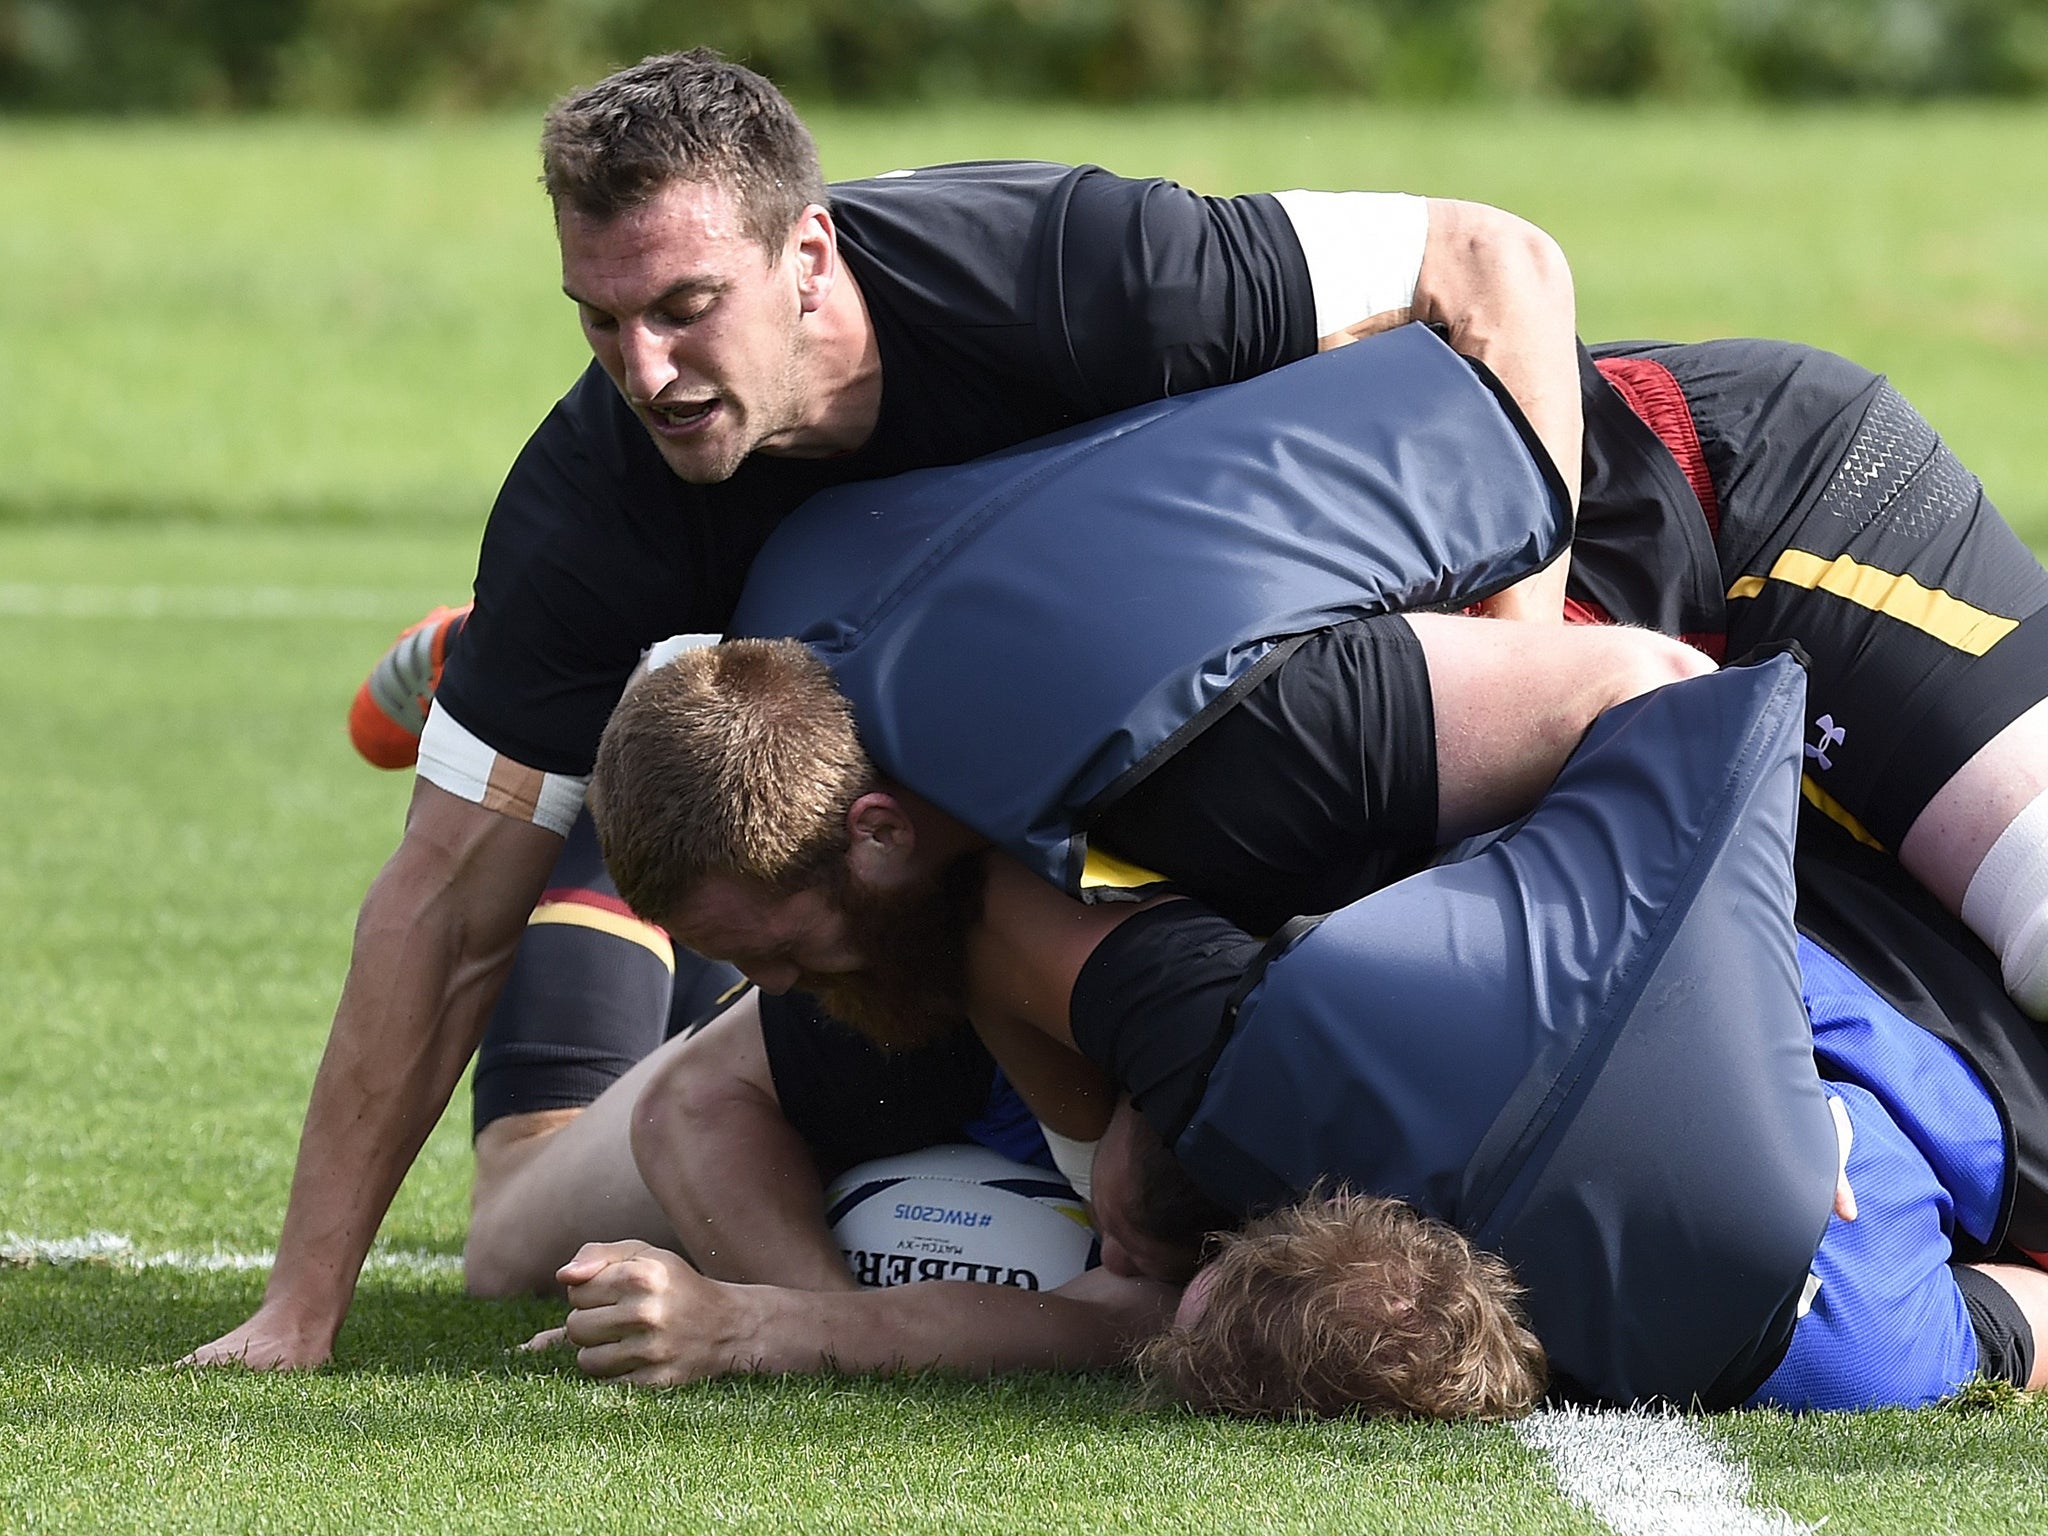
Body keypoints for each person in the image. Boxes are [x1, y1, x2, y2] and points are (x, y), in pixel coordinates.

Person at [185, 48, 1594, 1370]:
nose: (647, 372)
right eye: (601, 322)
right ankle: (562, 717)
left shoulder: (1072, 273)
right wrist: (297, 1312)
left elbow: (1500, 262)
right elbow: (439, 909)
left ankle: (590, 708)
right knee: (512, 1239)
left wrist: (1499, 693)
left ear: (808, 258)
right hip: (870, 819)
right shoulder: (593, 512)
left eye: (684, 309)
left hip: (1163, 742)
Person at [551, 658, 2048, 1413]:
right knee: (537, 1208)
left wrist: (765, 1324)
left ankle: (598, 847)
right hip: (1745, 860)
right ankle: (603, 794)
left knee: (526, 1220)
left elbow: (1121, 1313)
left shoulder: (1817, 1328)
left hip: (1734, 931)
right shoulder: (1814, 1321)